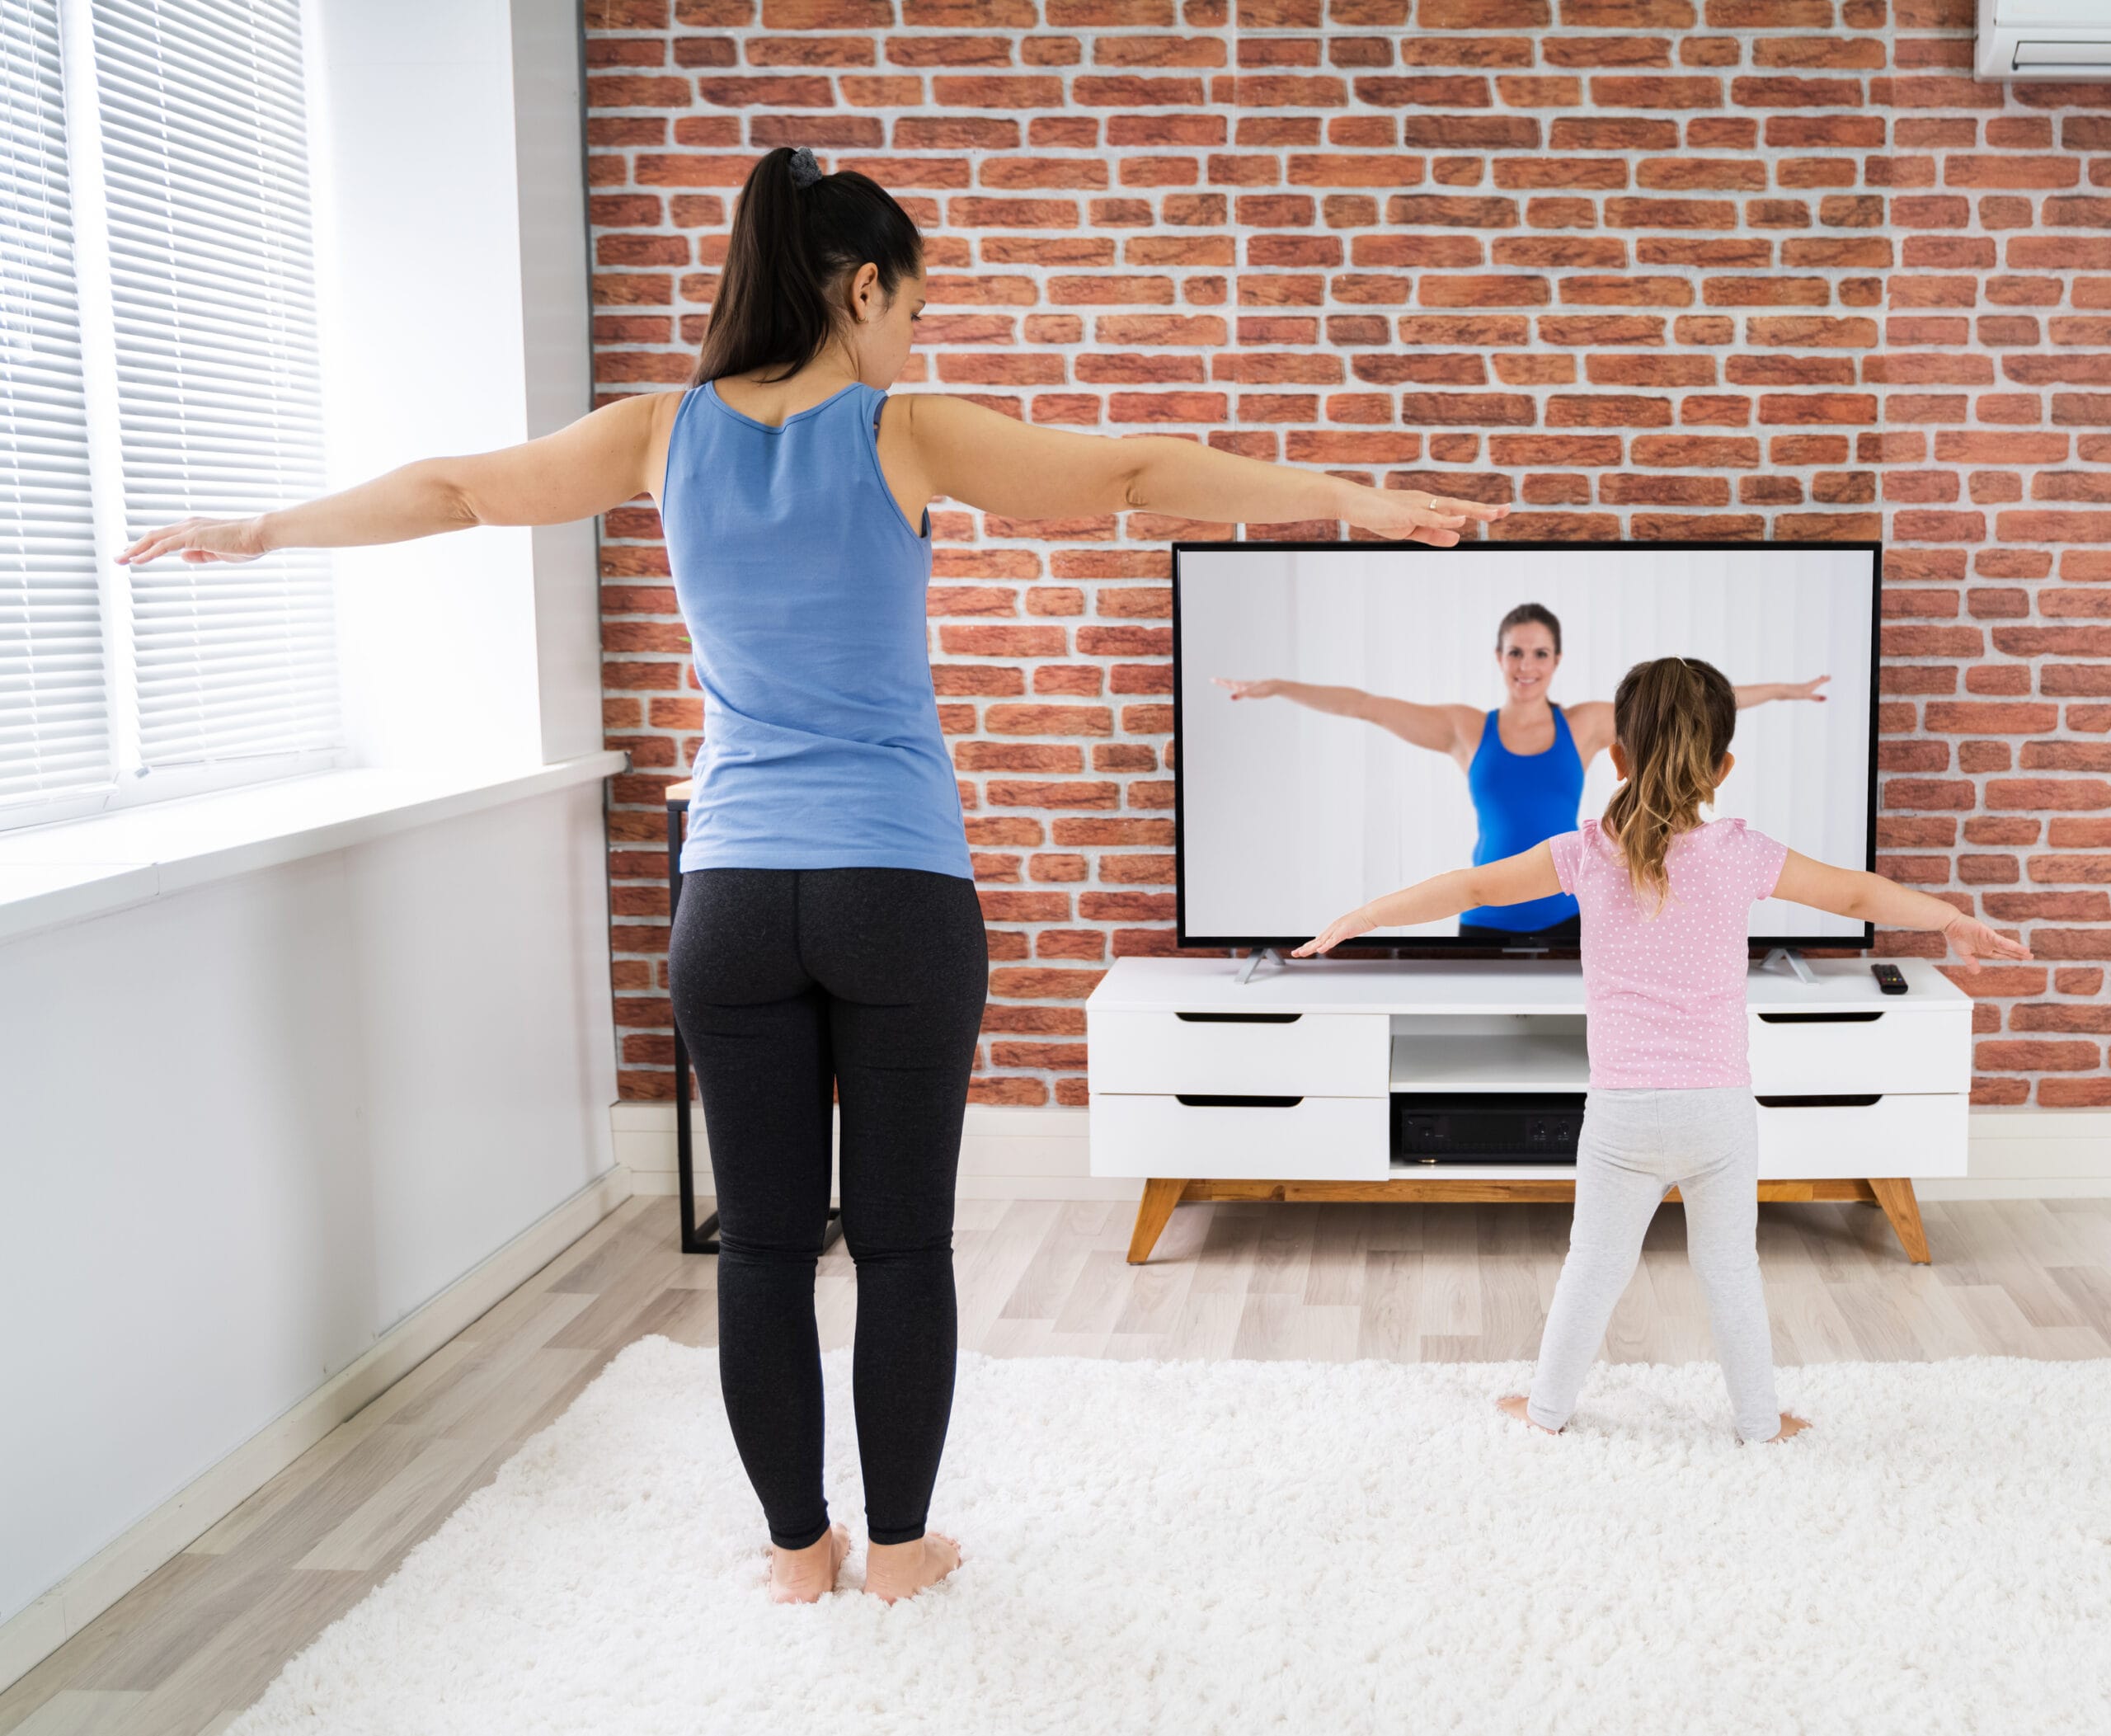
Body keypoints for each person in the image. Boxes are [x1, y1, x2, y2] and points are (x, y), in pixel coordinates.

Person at [115, 145, 1509, 1602]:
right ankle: (901, 1554)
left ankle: (800, 1556)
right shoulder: (900, 430)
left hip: (729, 901)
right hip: (895, 890)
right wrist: (1360, 498)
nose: (916, 340)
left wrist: (265, 528)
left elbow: (460, 490)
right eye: (911, 310)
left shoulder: (660, 431)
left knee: (763, 1252)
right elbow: (1135, 475)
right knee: (903, 1248)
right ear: (860, 291)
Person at [1292, 655, 2028, 1443]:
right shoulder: (1743, 852)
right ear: (1723, 767)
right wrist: (1951, 918)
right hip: (1717, 1112)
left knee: (1594, 1268)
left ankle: (1545, 1411)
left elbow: (1472, 889)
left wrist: (1363, 915)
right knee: (1730, 1272)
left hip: (1620, 1117)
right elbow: (1855, 892)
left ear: (1616, 756)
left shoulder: (1583, 852)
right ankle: (1757, 1423)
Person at [1215, 603, 1830, 942]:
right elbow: (1364, 704)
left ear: (1557, 659)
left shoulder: (1586, 724)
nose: (1527, 664)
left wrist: (1781, 691)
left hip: (1567, 914)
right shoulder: (1465, 728)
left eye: (1540, 652)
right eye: (1516, 651)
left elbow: (1686, 706)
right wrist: (1276, 687)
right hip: (1484, 916)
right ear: (1499, 656)